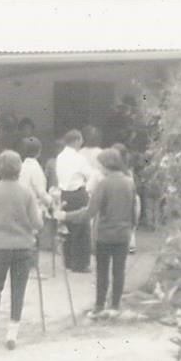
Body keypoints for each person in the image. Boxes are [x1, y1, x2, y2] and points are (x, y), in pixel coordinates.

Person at [0, 150, 43, 351]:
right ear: (19, 169)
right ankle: (12, 335)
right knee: (18, 289)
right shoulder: (26, 193)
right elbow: (37, 224)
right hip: (23, 247)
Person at [58, 147, 137, 318]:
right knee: (119, 270)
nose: (99, 168)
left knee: (102, 271)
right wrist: (131, 227)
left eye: (100, 165)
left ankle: (99, 305)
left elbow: (90, 212)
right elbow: (134, 209)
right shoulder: (129, 182)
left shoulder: (104, 184)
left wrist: (66, 215)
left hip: (105, 234)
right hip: (123, 233)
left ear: (106, 165)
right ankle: (115, 305)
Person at [55, 129, 95, 272]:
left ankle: (68, 261)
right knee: (81, 228)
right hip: (78, 193)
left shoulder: (60, 157)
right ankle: (80, 264)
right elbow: (89, 175)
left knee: (67, 227)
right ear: (77, 141)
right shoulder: (79, 158)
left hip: (64, 194)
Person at [112, 142, 142, 254]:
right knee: (129, 221)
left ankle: (123, 243)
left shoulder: (113, 170)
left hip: (120, 198)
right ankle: (129, 243)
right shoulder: (128, 171)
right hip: (129, 198)